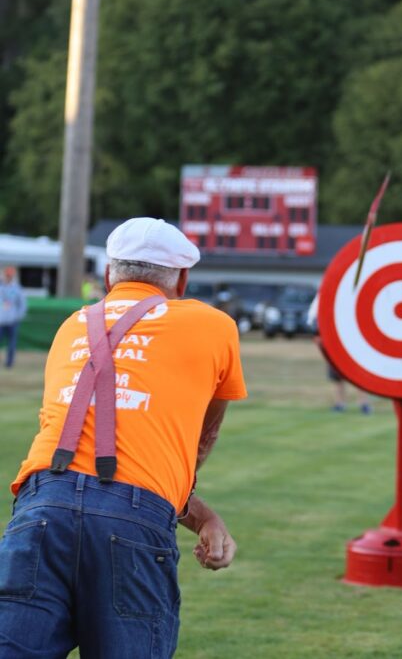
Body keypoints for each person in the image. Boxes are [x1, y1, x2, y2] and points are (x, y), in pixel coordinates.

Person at [0, 218, 247, 658]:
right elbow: (196, 439)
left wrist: (200, 514)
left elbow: (90, 456)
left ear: (110, 275)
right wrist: (197, 512)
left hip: (39, 507)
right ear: (183, 279)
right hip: (135, 518)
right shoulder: (214, 326)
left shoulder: (71, 326)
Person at [0, 266, 27, 368]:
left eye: (9, 276)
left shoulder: (17, 289)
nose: (8, 277)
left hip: (12, 321)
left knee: (12, 344)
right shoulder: (1, 287)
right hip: (1, 320)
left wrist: (18, 316)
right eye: (7, 275)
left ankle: (9, 363)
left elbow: (22, 304)